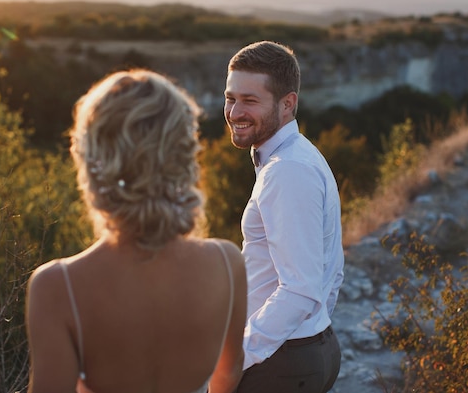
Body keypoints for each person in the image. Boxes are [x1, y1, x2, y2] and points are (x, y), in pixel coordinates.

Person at [25, 69, 247, 393]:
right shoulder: (228, 262)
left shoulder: (58, 286)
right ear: (183, 153)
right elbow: (227, 375)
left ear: (89, 157)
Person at [224, 40, 345, 392]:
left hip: (278, 364)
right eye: (231, 98)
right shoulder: (299, 155)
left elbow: (300, 288)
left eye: (250, 100)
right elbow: (331, 268)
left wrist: (238, 357)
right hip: (298, 353)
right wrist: (315, 332)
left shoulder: (287, 170)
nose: (234, 112)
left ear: (287, 104)